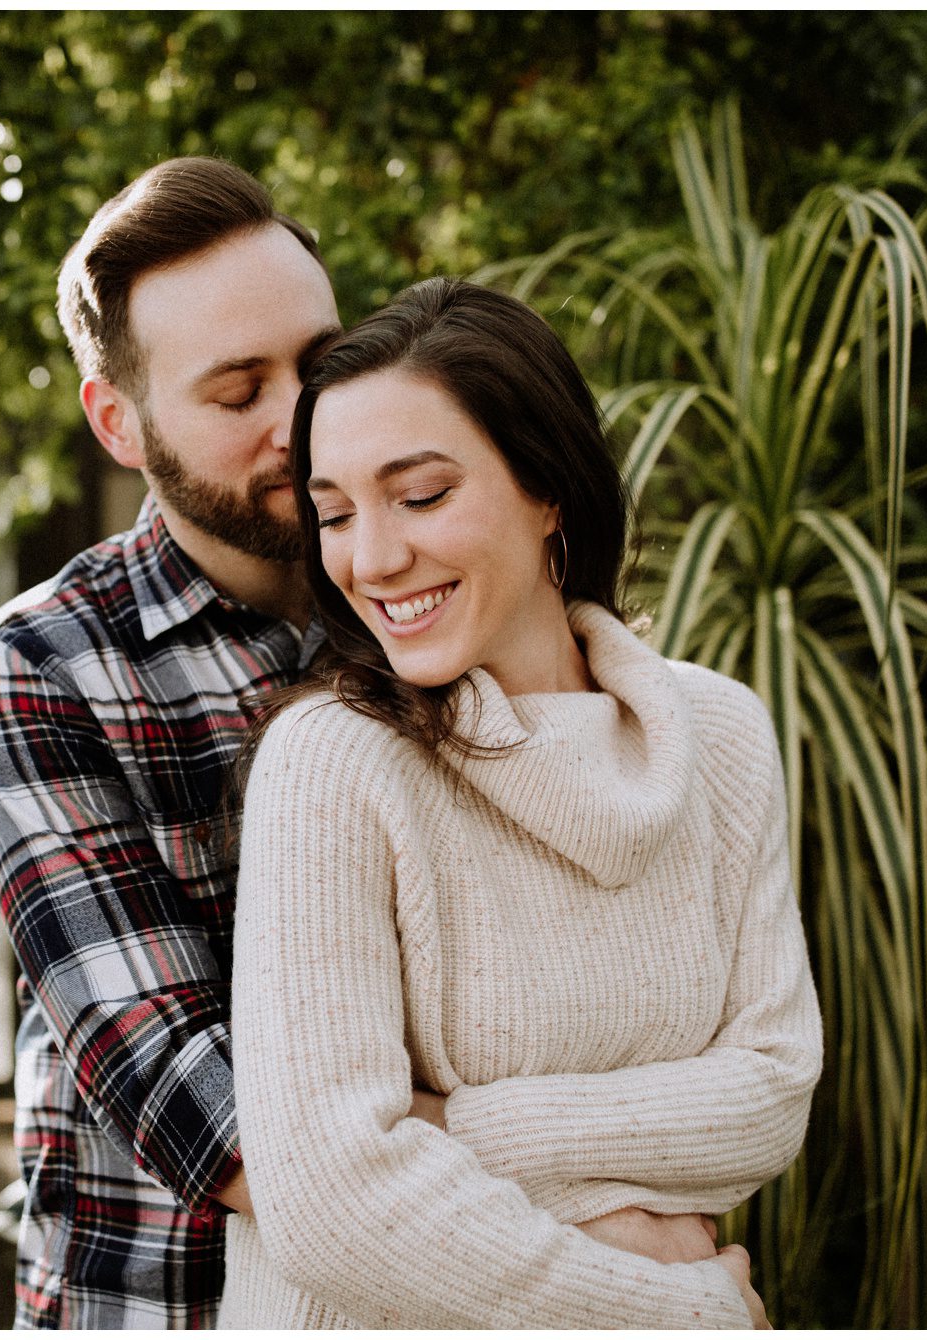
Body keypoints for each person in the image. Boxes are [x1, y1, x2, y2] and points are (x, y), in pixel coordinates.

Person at [219, 278, 824, 1328]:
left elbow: (767, 1096)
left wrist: (446, 1128)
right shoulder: (330, 763)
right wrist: (675, 1310)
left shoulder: (718, 735)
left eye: (418, 495)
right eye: (333, 512)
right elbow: (326, 1206)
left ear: (546, 487)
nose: (371, 557)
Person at [0, 156, 338, 1327]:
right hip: (166, 1308)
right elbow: (196, 1105)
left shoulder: (424, 602)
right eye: (238, 393)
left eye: (322, 366)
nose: (301, 421)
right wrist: (578, 1218)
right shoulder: (42, 665)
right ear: (118, 421)